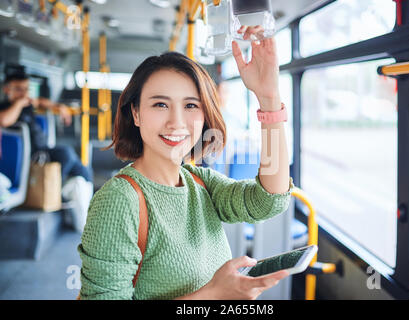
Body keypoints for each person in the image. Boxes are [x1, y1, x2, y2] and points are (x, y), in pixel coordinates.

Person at [77, 25, 292, 300]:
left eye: (191, 105)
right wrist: (213, 294)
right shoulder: (120, 201)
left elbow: (270, 199)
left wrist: (269, 98)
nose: (176, 122)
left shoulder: (199, 181)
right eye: (160, 105)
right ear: (136, 113)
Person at [0, 71, 93, 231]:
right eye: (18, 89)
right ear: (7, 90)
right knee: (66, 153)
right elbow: (4, 120)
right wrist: (19, 103)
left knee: (82, 171)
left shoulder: (28, 104)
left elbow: (41, 102)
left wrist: (60, 107)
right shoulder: (6, 107)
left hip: (44, 149)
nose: (24, 93)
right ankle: (56, 189)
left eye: (26, 89)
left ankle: (75, 191)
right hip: (33, 156)